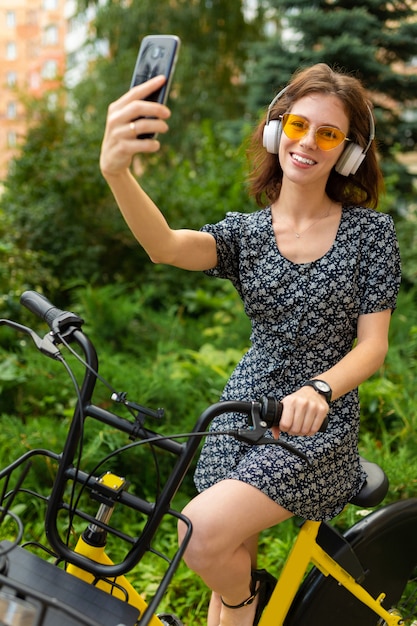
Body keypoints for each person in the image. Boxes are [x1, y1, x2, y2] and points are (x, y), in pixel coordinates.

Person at [100, 63, 401, 626]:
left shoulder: (370, 235)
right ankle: (244, 602)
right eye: (297, 125)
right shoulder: (246, 234)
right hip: (243, 408)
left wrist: (319, 388)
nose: (308, 142)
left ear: (348, 152)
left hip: (319, 422)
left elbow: (373, 347)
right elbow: (164, 246)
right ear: (275, 130)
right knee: (229, 553)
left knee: (199, 534)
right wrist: (117, 173)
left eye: (328, 133)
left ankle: (247, 599)